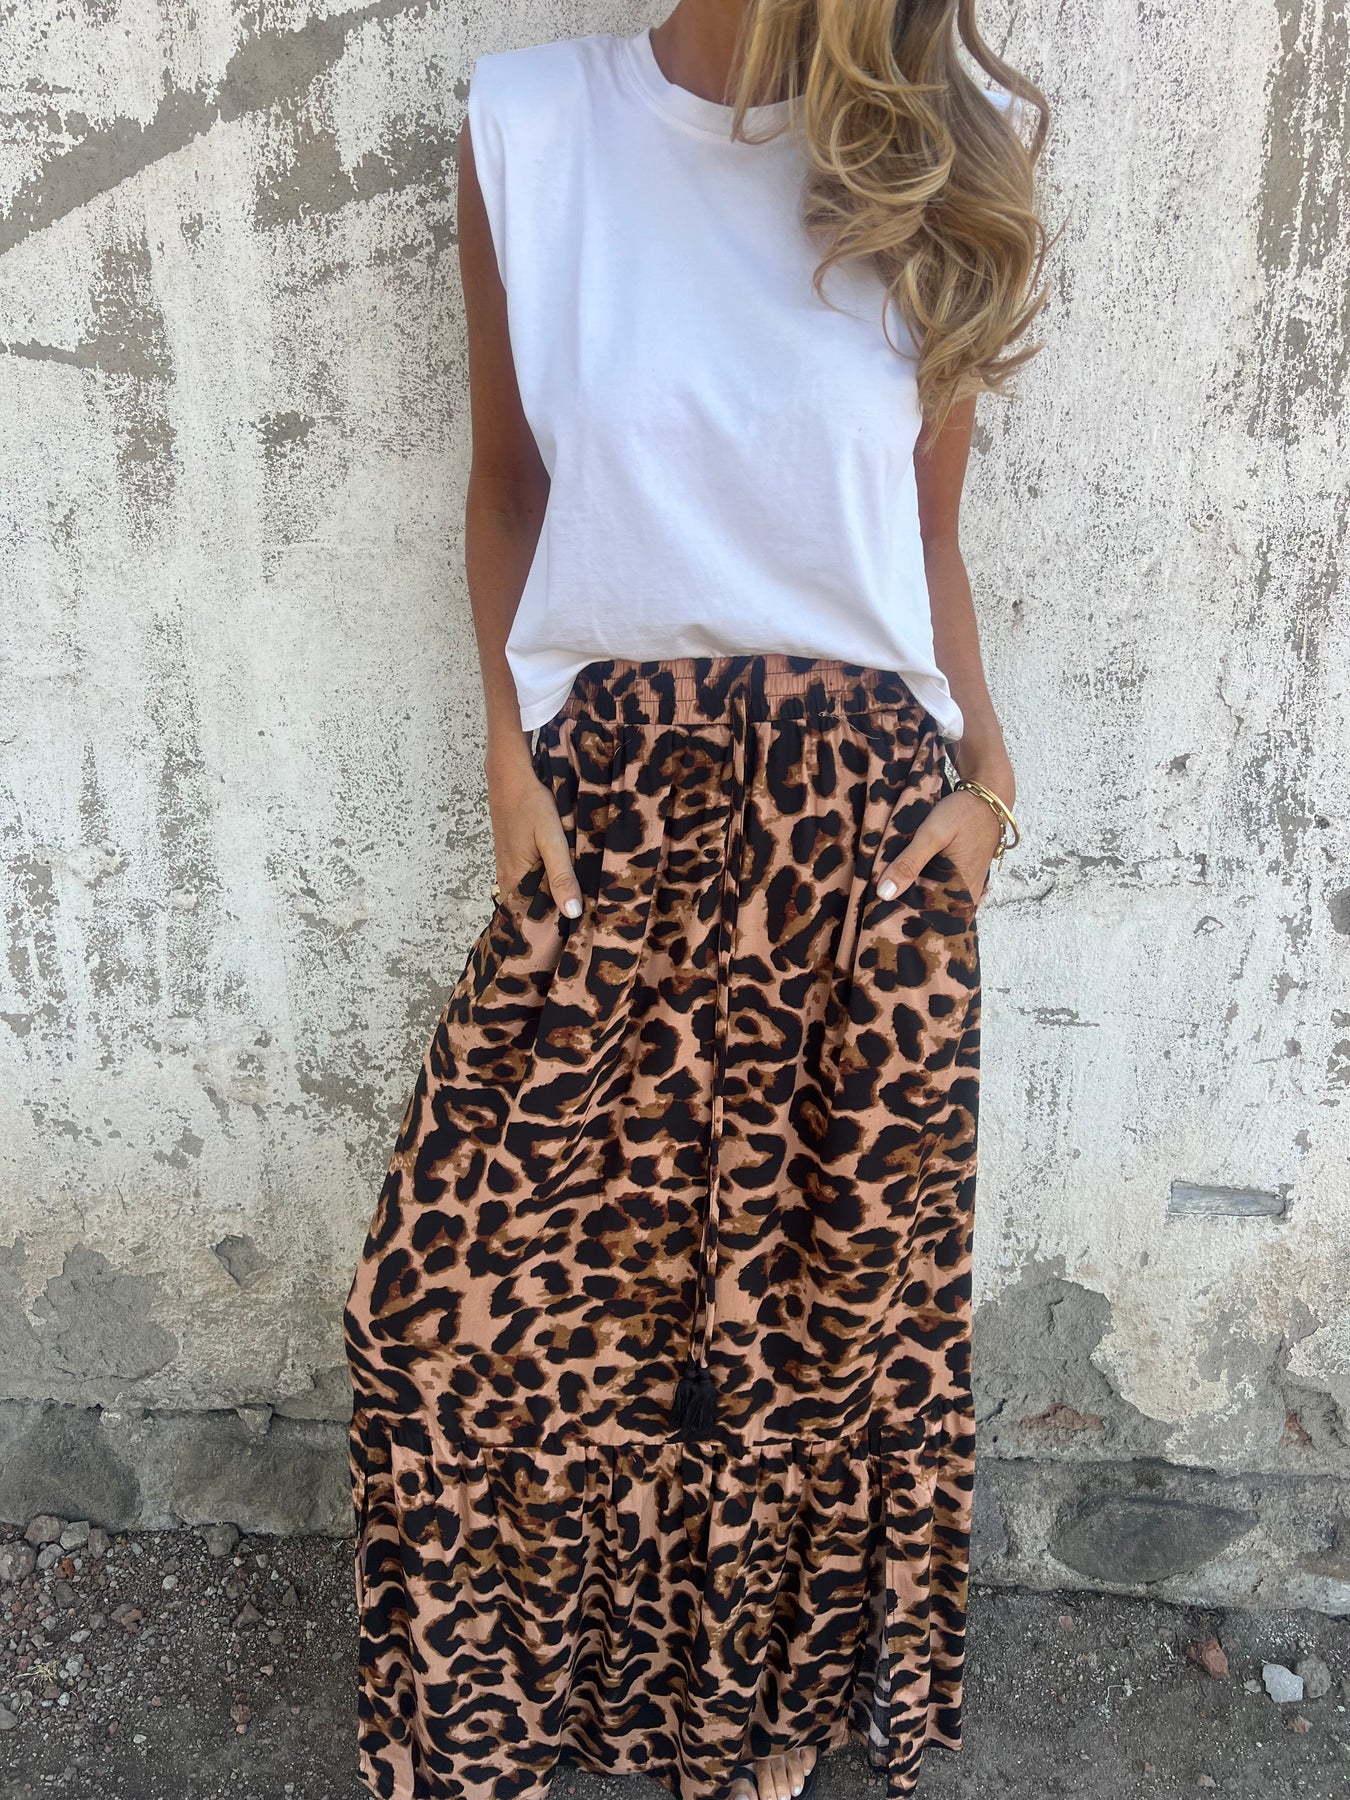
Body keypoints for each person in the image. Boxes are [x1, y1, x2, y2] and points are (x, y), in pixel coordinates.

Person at [343, 4, 1048, 1798]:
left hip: (861, 836)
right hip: (609, 805)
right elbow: (507, 485)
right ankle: (510, 1706)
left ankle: (749, 1724)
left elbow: (929, 535)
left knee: (802, 1329)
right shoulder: (529, 125)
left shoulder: (937, 150)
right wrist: (509, 761)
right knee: (451, 1301)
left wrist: (986, 781)